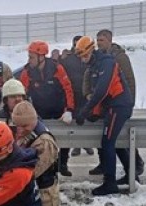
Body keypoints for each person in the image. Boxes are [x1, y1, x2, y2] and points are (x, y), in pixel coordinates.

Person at [75, 36, 134, 196]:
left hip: (118, 106)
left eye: (84, 55)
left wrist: (85, 111)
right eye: (80, 56)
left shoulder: (106, 63)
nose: (82, 59)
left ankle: (110, 183)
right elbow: (96, 93)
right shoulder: (94, 65)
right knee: (115, 142)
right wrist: (94, 112)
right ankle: (131, 174)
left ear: (90, 51)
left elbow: (102, 91)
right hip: (112, 106)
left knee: (107, 142)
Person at [92, 29, 145, 177]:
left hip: (120, 104)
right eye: (97, 40)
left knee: (122, 137)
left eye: (101, 40)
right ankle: (106, 164)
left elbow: (129, 80)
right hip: (107, 105)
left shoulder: (120, 58)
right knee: (110, 137)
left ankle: (136, 163)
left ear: (109, 40)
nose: (99, 43)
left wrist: (129, 102)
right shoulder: (99, 58)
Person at [17, 40, 75, 125]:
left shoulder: (56, 68)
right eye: (29, 57)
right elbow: (22, 95)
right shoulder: (27, 72)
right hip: (39, 116)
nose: (29, 60)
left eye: (32, 57)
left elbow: (67, 89)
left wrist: (69, 110)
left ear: (41, 57)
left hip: (59, 115)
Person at [59, 35, 93, 173]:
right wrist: (60, 58)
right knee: (68, 130)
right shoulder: (68, 59)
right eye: (74, 45)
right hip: (72, 98)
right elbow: (59, 72)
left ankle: (87, 145)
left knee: (90, 126)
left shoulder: (89, 58)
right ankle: (63, 163)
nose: (76, 48)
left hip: (87, 97)